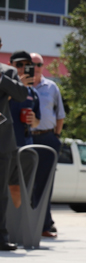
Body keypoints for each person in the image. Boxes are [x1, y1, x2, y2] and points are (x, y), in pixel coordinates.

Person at [28, 53, 65, 239]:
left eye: (39, 64)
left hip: (47, 138)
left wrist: (56, 136)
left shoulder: (51, 87)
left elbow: (60, 115)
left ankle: (44, 225)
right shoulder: (20, 87)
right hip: (26, 138)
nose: (35, 68)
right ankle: (23, 224)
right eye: (31, 64)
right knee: (25, 183)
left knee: (45, 184)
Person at [0, 36, 28, 251]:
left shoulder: (7, 72)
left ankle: (1, 237)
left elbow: (21, 94)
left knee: (1, 192)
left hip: (3, 143)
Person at [7, 52, 39, 210]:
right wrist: (16, 87)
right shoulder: (4, 88)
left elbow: (38, 119)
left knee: (19, 189)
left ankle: (11, 230)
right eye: (19, 65)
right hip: (5, 146)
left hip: (25, 147)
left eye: (27, 65)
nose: (22, 69)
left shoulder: (33, 93)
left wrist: (34, 120)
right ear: (10, 65)